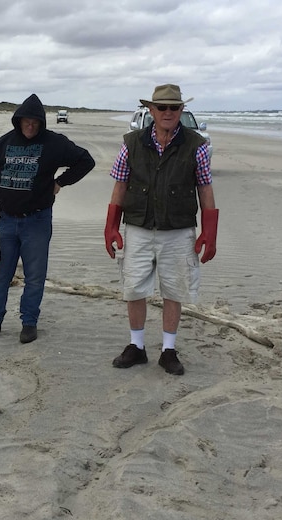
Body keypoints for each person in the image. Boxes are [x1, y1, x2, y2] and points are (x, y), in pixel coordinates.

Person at [104, 84, 218, 375]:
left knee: (174, 289)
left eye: (174, 107)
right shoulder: (132, 142)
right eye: (162, 107)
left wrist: (209, 232)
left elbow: (205, 189)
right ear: (151, 110)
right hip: (138, 227)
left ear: (182, 110)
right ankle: (137, 346)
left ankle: (168, 350)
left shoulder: (196, 145)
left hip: (178, 231)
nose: (168, 112)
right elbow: (120, 184)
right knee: (134, 288)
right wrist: (111, 226)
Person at [0, 93, 95, 344]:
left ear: (41, 123)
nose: (30, 126)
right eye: (26, 121)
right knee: (0, 275)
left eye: (35, 122)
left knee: (35, 276)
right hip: (6, 221)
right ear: (18, 121)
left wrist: (61, 181)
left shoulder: (54, 143)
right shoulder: (3, 143)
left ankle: (29, 322)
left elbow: (86, 161)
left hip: (37, 222)